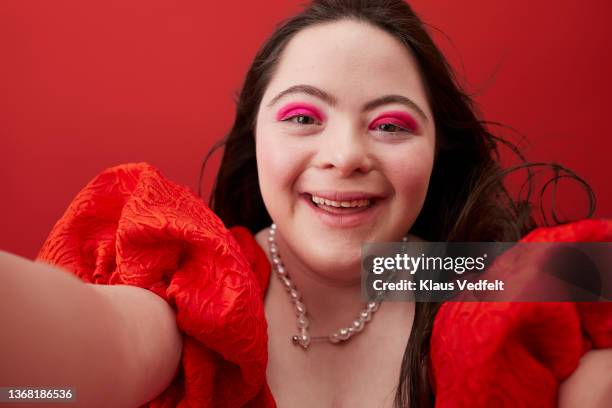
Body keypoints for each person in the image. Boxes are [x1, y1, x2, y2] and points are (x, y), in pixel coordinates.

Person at [1, 0, 611, 407]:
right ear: (255, 139)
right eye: (301, 116)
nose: (345, 156)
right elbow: (57, 376)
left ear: (435, 152)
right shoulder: (203, 286)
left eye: (392, 125)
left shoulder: (469, 274)